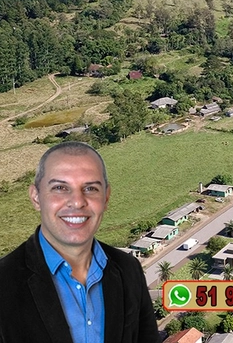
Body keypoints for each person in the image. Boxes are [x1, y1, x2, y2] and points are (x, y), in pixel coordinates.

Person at [0, 141, 160, 343]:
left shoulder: (128, 269)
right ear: (36, 197)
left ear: (106, 197)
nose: (77, 201)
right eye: (60, 187)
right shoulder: (4, 282)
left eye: (91, 188)